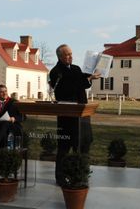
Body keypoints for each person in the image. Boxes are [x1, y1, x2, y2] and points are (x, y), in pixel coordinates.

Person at [49, 44, 100, 185]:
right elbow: (66, 89)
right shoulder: (55, 72)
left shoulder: (76, 68)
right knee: (64, 147)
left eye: (71, 54)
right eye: (67, 54)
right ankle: (60, 177)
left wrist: (91, 76)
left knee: (84, 144)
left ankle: (82, 174)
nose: (71, 56)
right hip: (67, 115)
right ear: (60, 56)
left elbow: (84, 83)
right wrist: (87, 80)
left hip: (82, 113)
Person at [0, 84, 23, 150]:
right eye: (1, 92)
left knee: (4, 123)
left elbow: (23, 117)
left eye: (5, 91)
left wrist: (14, 118)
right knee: (2, 126)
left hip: (13, 126)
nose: (4, 93)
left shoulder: (14, 103)